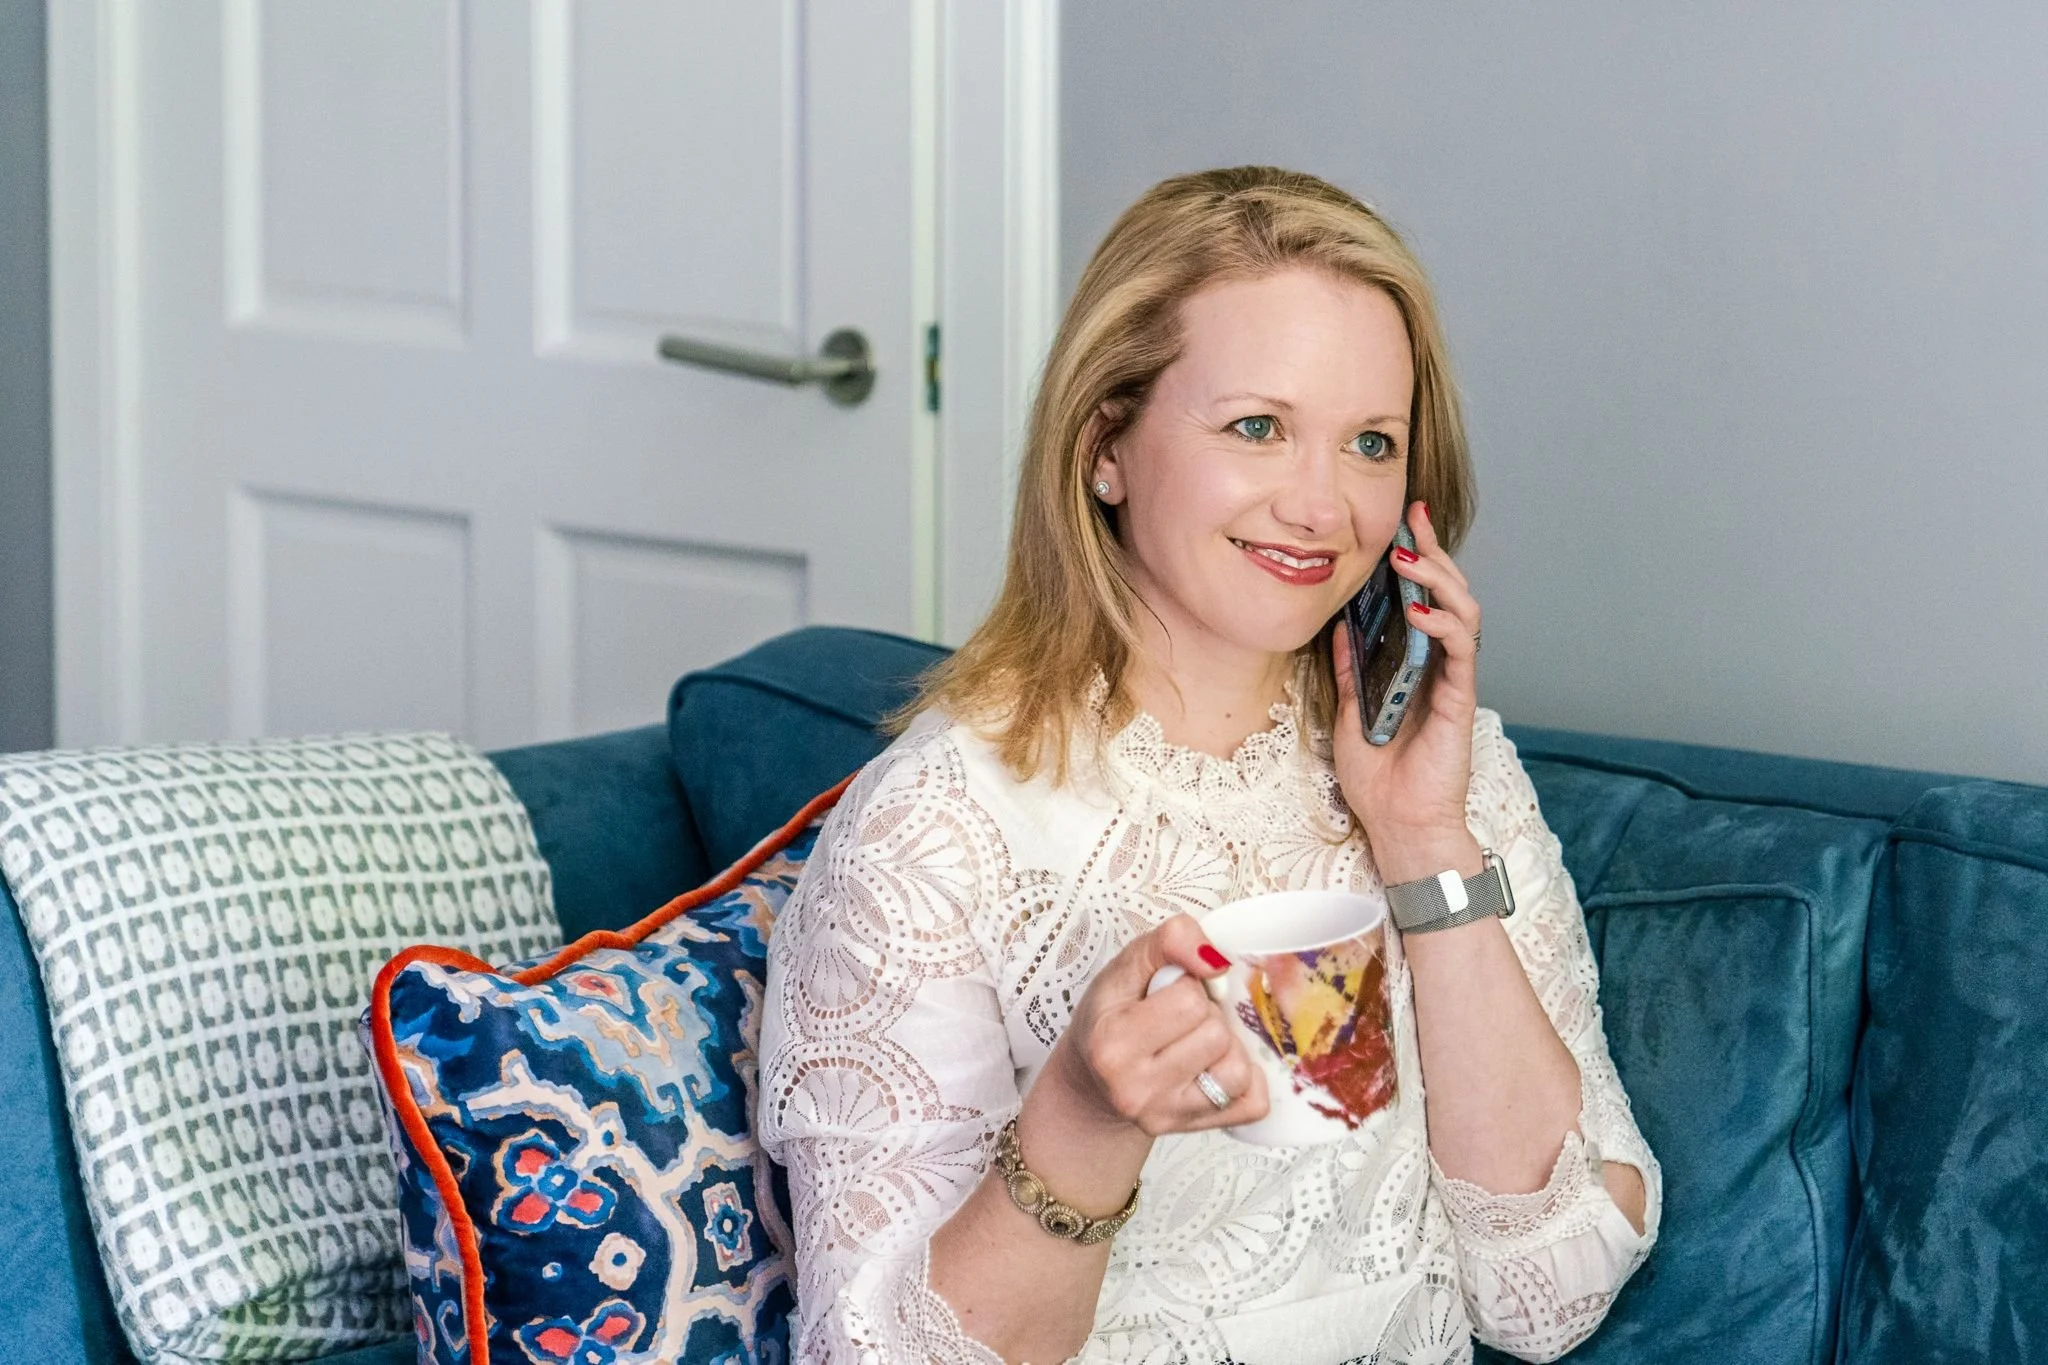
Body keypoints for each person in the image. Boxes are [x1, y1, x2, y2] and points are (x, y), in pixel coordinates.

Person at [758, 166, 1660, 1364]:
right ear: (1104, 447)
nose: (1321, 506)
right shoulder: (937, 827)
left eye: (1370, 444)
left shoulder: (1452, 778)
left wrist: (1423, 844)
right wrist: (1081, 1118)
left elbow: (1549, 1297)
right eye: (1256, 427)